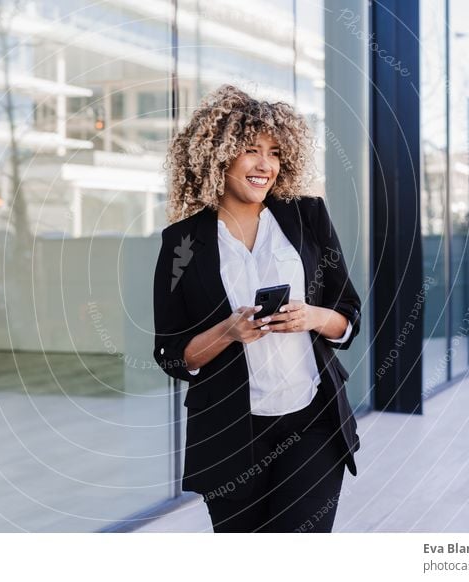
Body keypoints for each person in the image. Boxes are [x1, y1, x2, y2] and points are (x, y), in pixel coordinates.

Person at [152, 85, 362, 533]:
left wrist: (313, 317)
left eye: (274, 152)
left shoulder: (308, 217)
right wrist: (228, 332)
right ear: (218, 155)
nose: (265, 164)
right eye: (250, 150)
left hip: (312, 420)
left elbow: (348, 313)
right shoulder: (182, 244)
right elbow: (171, 353)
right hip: (229, 434)